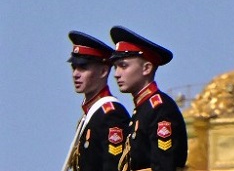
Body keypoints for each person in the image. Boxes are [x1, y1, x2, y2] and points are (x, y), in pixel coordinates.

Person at [109, 26, 188, 171]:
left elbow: (164, 165)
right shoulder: (143, 109)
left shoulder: (160, 109)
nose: (116, 74)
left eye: (123, 66)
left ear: (146, 68)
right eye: (115, 67)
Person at [63, 31, 131, 171]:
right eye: (74, 67)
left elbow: (113, 166)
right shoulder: (90, 116)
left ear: (103, 71)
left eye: (83, 67)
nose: (76, 74)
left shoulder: (111, 114)